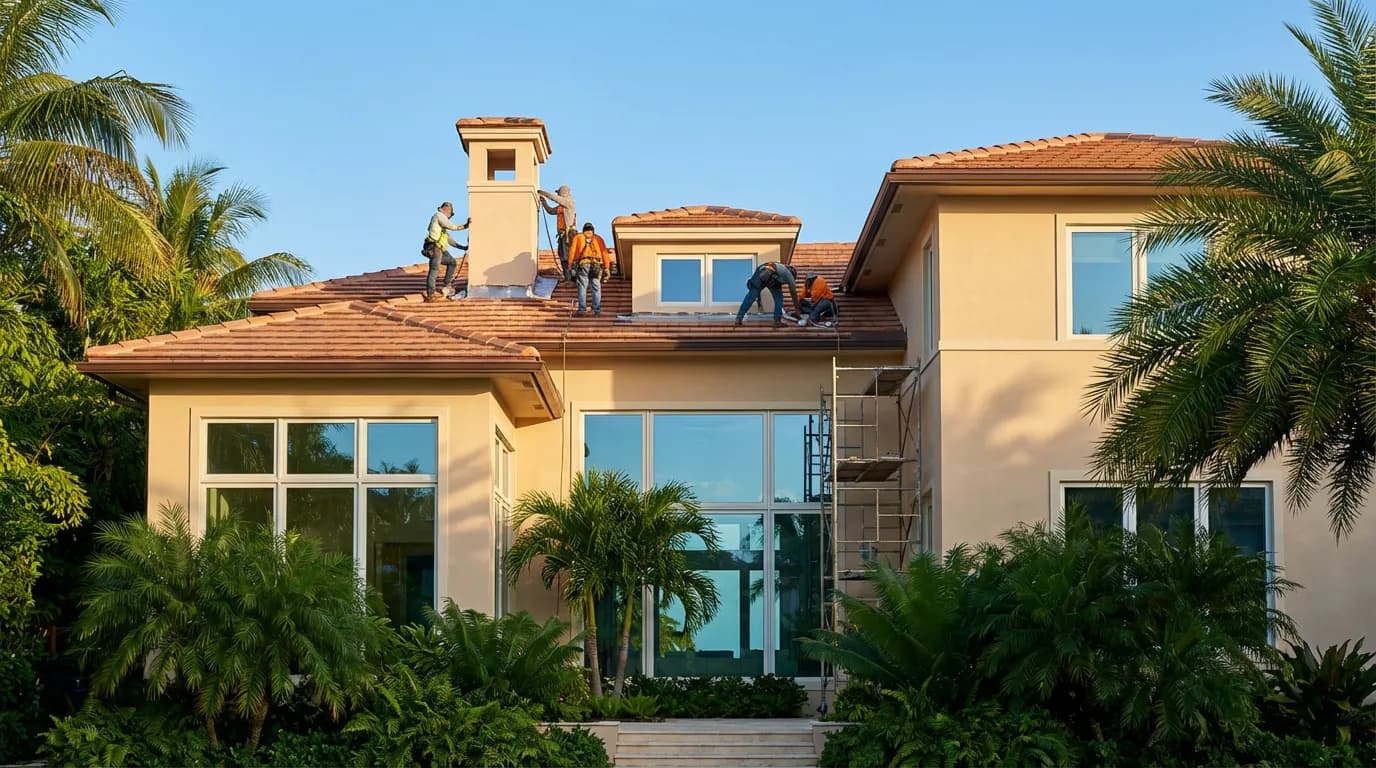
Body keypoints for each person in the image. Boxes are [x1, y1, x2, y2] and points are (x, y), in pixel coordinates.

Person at [422, 202, 470, 302]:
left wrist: (463, 248)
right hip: (434, 247)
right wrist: (465, 226)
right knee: (434, 270)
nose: (449, 217)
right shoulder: (439, 216)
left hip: (440, 249)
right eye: (450, 214)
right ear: (446, 210)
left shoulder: (441, 228)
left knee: (452, 262)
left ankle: (447, 284)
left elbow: (449, 240)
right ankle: (430, 294)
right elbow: (450, 226)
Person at [734, 261, 799, 328]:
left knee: (753, 296)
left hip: (768, 276)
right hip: (764, 274)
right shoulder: (789, 275)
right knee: (754, 296)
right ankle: (777, 320)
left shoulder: (780, 270)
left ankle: (739, 318)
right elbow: (793, 294)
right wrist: (797, 310)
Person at [568, 222, 611, 316]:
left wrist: (570, 266)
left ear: (583, 230)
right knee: (596, 287)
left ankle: (582, 310)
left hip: (583, 264)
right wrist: (607, 268)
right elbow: (604, 253)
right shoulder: (598, 239)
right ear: (593, 231)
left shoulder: (578, 237)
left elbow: (572, 252)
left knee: (582, 287)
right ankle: (596, 310)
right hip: (596, 265)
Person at [537, 185, 576, 280]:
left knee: (567, 256)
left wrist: (542, 192)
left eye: (559, 193)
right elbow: (550, 211)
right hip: (563, 235)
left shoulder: (569, 202)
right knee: (562, 255)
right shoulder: (562, 207)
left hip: (569, 234)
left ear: (563, 193)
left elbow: (555, 198)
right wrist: (544, 202)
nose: (557, 194)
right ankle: (568, 276)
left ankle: (571, 277)